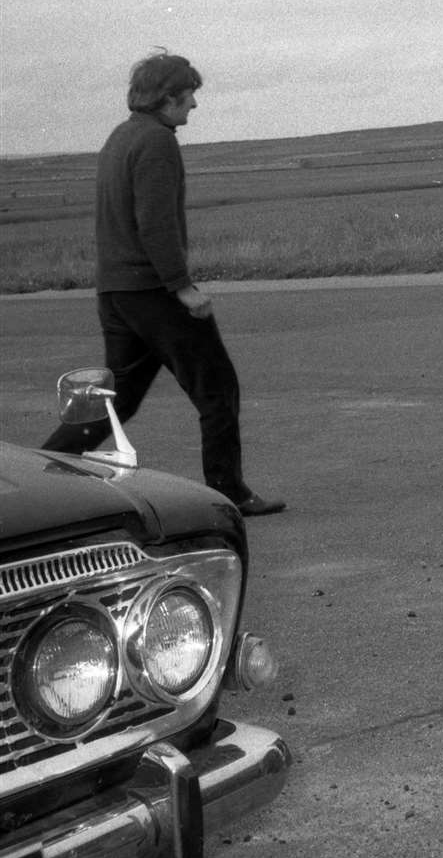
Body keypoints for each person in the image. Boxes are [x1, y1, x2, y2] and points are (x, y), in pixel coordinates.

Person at [40, 51, 284, 516]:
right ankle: (229, 493)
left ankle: (44, 473)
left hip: (117, 293)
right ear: (168, 96)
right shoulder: (156, 141)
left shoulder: (121, 136)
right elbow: (154, 224)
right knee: (217, 390)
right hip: (153, 293)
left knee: (119, 400)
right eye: (189, 94)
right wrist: (182, 286)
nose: (194, 104)